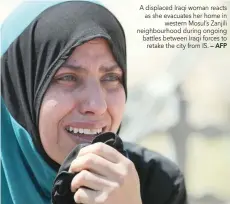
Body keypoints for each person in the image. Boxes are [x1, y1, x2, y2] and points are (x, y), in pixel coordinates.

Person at [1, 1, 187, 204]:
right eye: (68, 77)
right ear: (16, 88)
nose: (97, 106)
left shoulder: (156, 183)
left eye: (110, 78)